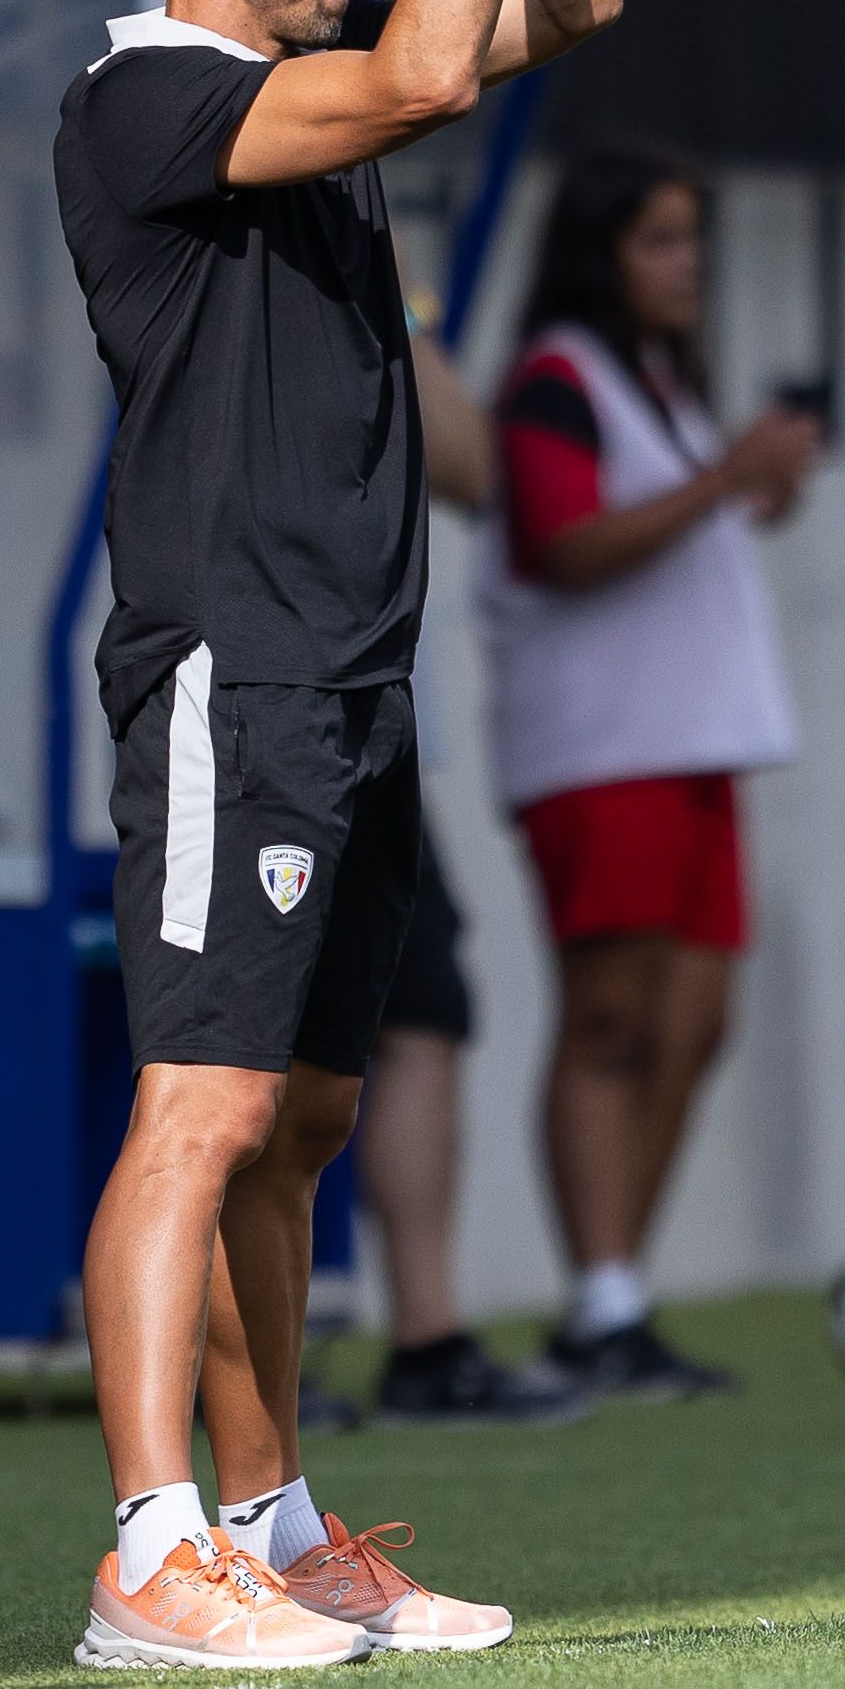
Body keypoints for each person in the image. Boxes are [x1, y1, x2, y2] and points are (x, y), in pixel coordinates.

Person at [55, 0, 636, 1673]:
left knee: (298, 1115)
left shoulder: (293, 86)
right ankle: (148, 1547)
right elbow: (419, 66)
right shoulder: (143, 98)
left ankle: (277, 1520)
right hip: (232, 669)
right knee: (196, 1109)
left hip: (351, 676)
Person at [479, 151, 813, 1398]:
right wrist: (723, 477)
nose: (689, 265)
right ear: (601, 254)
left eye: (691, 240)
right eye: (661, 241)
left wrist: (747, 486)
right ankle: (601, 1298)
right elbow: (564, 546)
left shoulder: (657, 384)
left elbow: (678, 527)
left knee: (695, 1021)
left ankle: (617, 1291)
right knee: (609, 1017)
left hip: (698, 742)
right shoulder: (555, 380)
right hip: (600, 748)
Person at [345, 338, 586, 1426]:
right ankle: (243, 1364)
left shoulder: (360, 291)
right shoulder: (222, 273)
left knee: (423, 1007)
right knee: (251, 1052)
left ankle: (427, 1338)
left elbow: (478, 467)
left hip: (372, 725)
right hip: (250, 723)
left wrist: (390, 291)